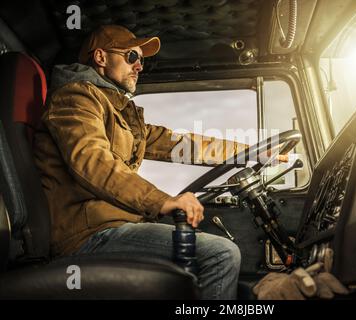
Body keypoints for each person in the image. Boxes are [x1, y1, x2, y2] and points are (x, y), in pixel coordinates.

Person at [33, 25, 271, 300]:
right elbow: (93, 161)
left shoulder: (119, 111)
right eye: (131, 57)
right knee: (220, 255)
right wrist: (161, 201)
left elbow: (179, 143)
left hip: (117, 224)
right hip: (88, 235)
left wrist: (254, 152)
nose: (139, 67)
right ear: (100, 58)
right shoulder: (75, 99)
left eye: (141, 60)